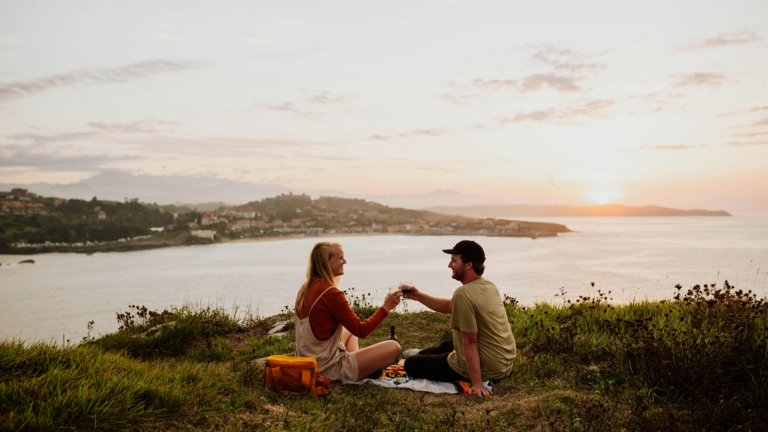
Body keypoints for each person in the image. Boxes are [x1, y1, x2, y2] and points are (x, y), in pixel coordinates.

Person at [400, 240, 516, 397]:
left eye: (454, 261)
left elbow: (470, 342)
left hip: (488, 367)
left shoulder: (463, 293)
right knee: (449, 345)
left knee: (410, 365)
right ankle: (422, 354)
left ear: (468, 265)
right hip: (503, 362)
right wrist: (418, 296)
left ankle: (418, 358)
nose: (449, 265)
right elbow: (449, 305)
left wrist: (476, 383)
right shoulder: (488, 285)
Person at [295, 241, 403, 382]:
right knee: (394, 347)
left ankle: (362, 368)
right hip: (326, 369)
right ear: (327, 263)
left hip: (307, 363)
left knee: (348, 329)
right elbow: (362, 330)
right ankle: (359, 370)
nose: (344, 261)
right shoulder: (331, 293)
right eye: (340, 258)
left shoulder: (306, 288)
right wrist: (385, 308)